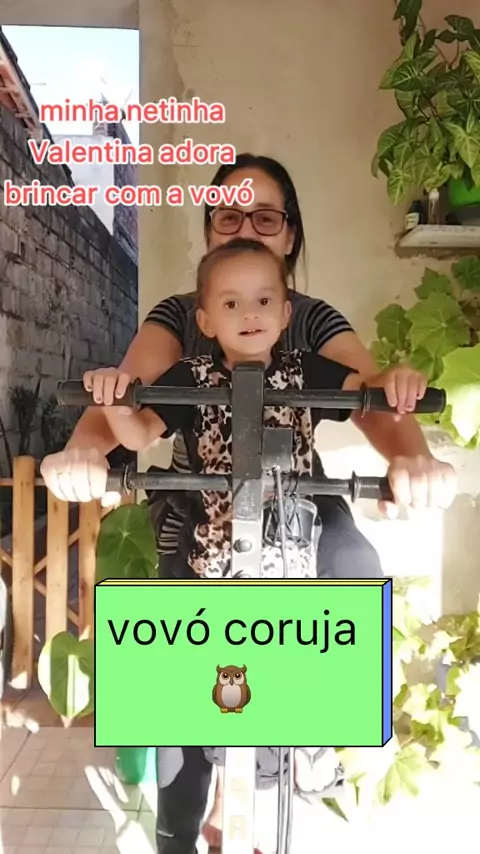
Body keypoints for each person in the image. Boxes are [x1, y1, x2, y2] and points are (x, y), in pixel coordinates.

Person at [40, 153, 457, 850]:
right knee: (176, 660)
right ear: (208, 239)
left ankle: (315, 743)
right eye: (229, 215)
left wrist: (413, 457)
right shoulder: (184, 323)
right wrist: (86, 446)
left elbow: (371, 397)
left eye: (265, 217)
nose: (246, 229)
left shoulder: (306, 323)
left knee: (351, 563)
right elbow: (130, 405)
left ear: (290, 236)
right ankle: (179, 820)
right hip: (198, 509)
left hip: (293, 502)